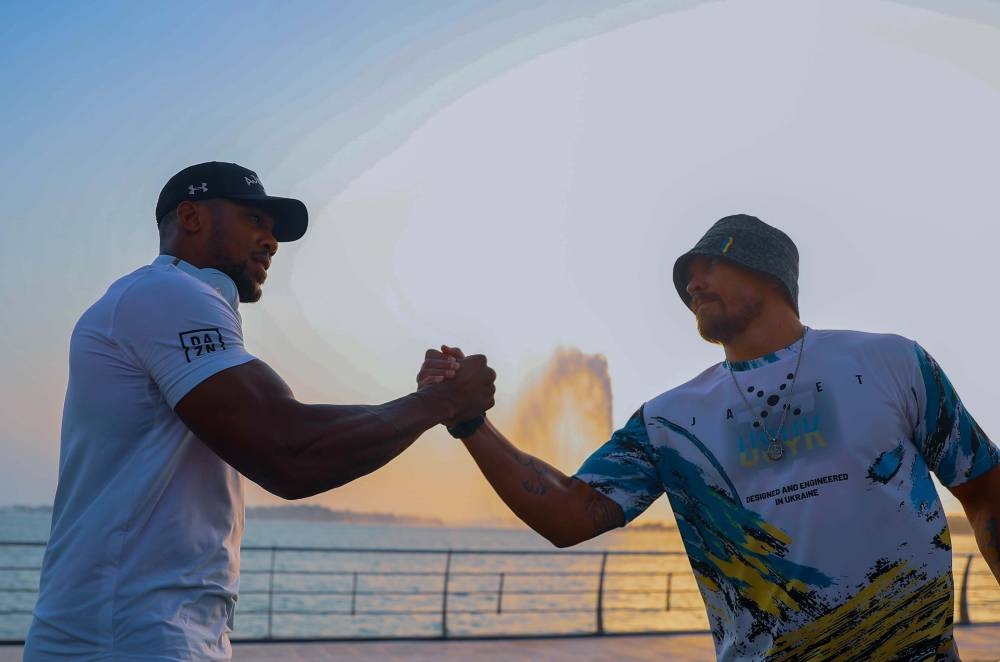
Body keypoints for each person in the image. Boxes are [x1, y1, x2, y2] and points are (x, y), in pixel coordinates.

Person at [419, 214, 1000, 661]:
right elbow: (569, 516)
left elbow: (985, 493)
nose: (692, 285)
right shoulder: (670, 417)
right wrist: (468, 422)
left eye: (708, 267)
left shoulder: (890, 362)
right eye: (685, 281)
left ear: (768, 271)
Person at [24, 161, 496, 661]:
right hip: (125, 639)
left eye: (273, 231)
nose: (271, 242)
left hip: (151, 632)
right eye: (254, 220)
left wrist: (426, 403)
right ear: (191, 217)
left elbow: (288, 435)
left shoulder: (172, 302)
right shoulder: (166, 294)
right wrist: (440, 402)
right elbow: (289, 453)